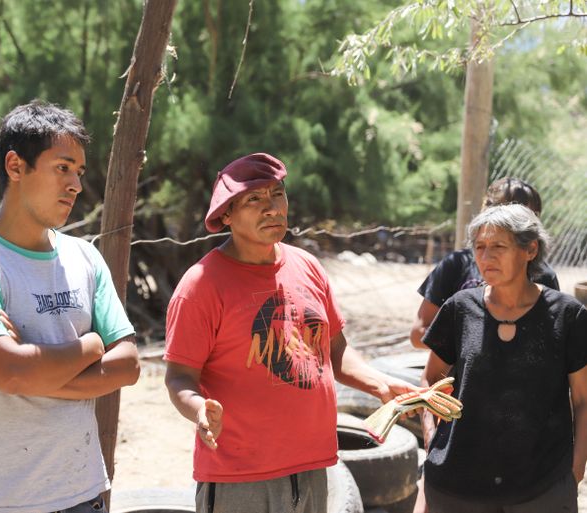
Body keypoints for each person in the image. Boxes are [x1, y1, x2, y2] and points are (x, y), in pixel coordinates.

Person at [163, 153, 419, 513]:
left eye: (277, 194)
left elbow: (335, 351)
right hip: (242, 477)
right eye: (254, 199)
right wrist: (198, 409)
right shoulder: (201, 286)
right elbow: (179, 376)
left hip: (314, 467)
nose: (271, 208)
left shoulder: (307, 266)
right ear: (226, 215)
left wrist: (379, 384)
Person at [0, 101, 140, 513]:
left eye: (79, 172)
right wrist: (92, 345)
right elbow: (10, 373)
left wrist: (32, 371)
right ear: (15, 166)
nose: (76, 186)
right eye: (62, 167)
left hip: (82, 496)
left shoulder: (85, 257)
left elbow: (129, 365)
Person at [420, 204, 587, 512]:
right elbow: (431, 380)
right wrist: (432, 438)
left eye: (498, 246)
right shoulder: (459, 309)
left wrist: (574, 472)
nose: (486, 257)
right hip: (458, 489)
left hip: (541, 491)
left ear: (530, 249)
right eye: (480, 247)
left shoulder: (568, 315)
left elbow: (582, 399)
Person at [410, 177, 560, 349]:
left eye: (526, 216)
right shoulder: (456, 265)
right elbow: (419, 333)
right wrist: (472, 341)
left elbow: (552, 339)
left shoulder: (544, 277)